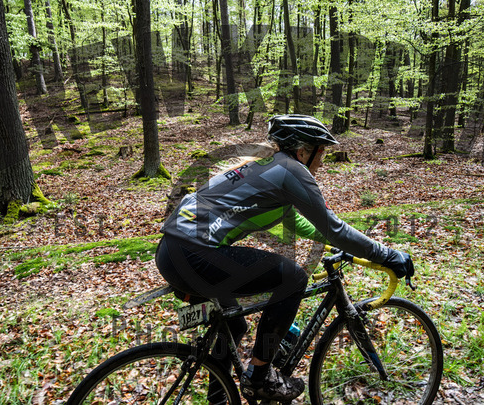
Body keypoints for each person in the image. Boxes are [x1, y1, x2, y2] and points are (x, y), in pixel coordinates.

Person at [155, 114, 414, 403]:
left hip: (170, 254)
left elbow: (300, 223)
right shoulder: (291, 170)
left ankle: (218, 399)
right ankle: (260, 376)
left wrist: (338, 245)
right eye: (321, 153)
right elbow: (334, 228)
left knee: (234, 325)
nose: (321, 162)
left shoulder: (264, 168)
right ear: (303, 151)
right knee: (293, 278)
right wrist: (387, 254)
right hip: (196, 256)